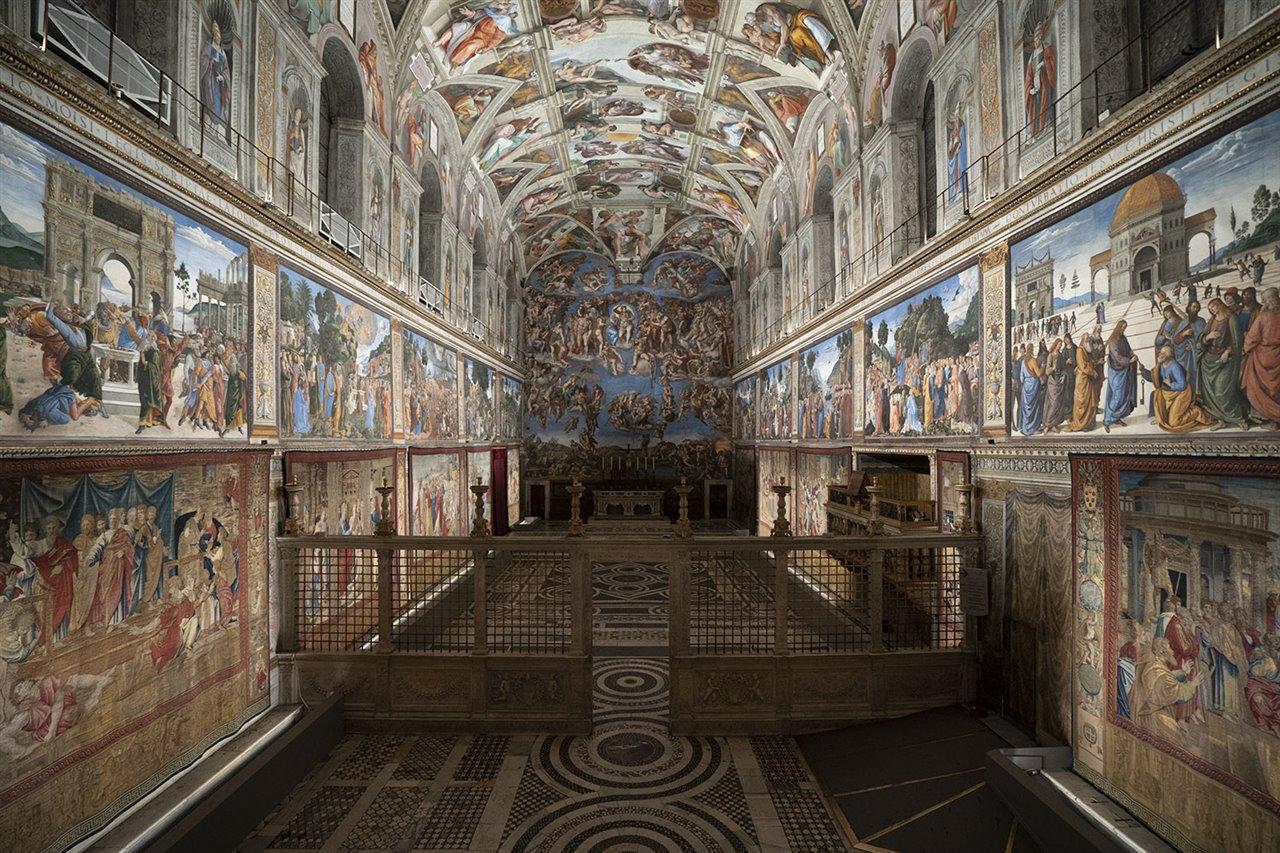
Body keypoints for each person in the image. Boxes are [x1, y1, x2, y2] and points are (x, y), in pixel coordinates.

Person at [1198, 298, 1251, 430]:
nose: (1212, 310)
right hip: (1209, 360)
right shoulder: (1212, 320)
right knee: (1210, 393)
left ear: (1220, 305)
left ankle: (1239, 418)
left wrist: (1227, 352)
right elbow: (1202, 338)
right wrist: (1208, 337)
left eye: (1213, 306)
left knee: (1223, 392)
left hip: (1226, 360)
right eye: (1210, 308)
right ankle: (1221, 420)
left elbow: (1237, 340)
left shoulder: (1231, 318)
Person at [1148, 345, 1216, 432]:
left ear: (1170, 355)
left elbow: (1182, 385)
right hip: (1171, 393)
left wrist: (1170, 384)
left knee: (1174, 423)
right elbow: (1155, 377)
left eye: (1164, 353)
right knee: (1157, 393)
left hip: (1182, 393)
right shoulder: (1161, 365)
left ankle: (1196, 412)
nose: (1161, 354)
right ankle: (1161, 418)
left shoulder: (1175, 367)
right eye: (1161, 352)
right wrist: (1143, 370)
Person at [1241, 286, 1280, 427]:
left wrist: (1245, 348)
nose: (1262, 302)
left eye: (1264, 300)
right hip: (1277, 355)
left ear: (1270, 300)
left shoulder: (1263, 317)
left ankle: (1270, 418)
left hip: (1262, 356)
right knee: (1276, 388)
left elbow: (1252, 337)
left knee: (1257, 387)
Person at [1103, 320, 1139, 432]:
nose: (1124, 329)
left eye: (1125, 328)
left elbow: (1128, 349)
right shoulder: (1113, 340)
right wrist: (1130, 360)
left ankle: (1116, 417)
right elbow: (1117, 357)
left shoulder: (1123, 337)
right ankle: (1107, 420)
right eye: (1123, 327)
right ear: (1119, 327)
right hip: (1116, 371)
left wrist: (1133, 354)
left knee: (1123, 395)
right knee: (1117, 395)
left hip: (1124, 369)